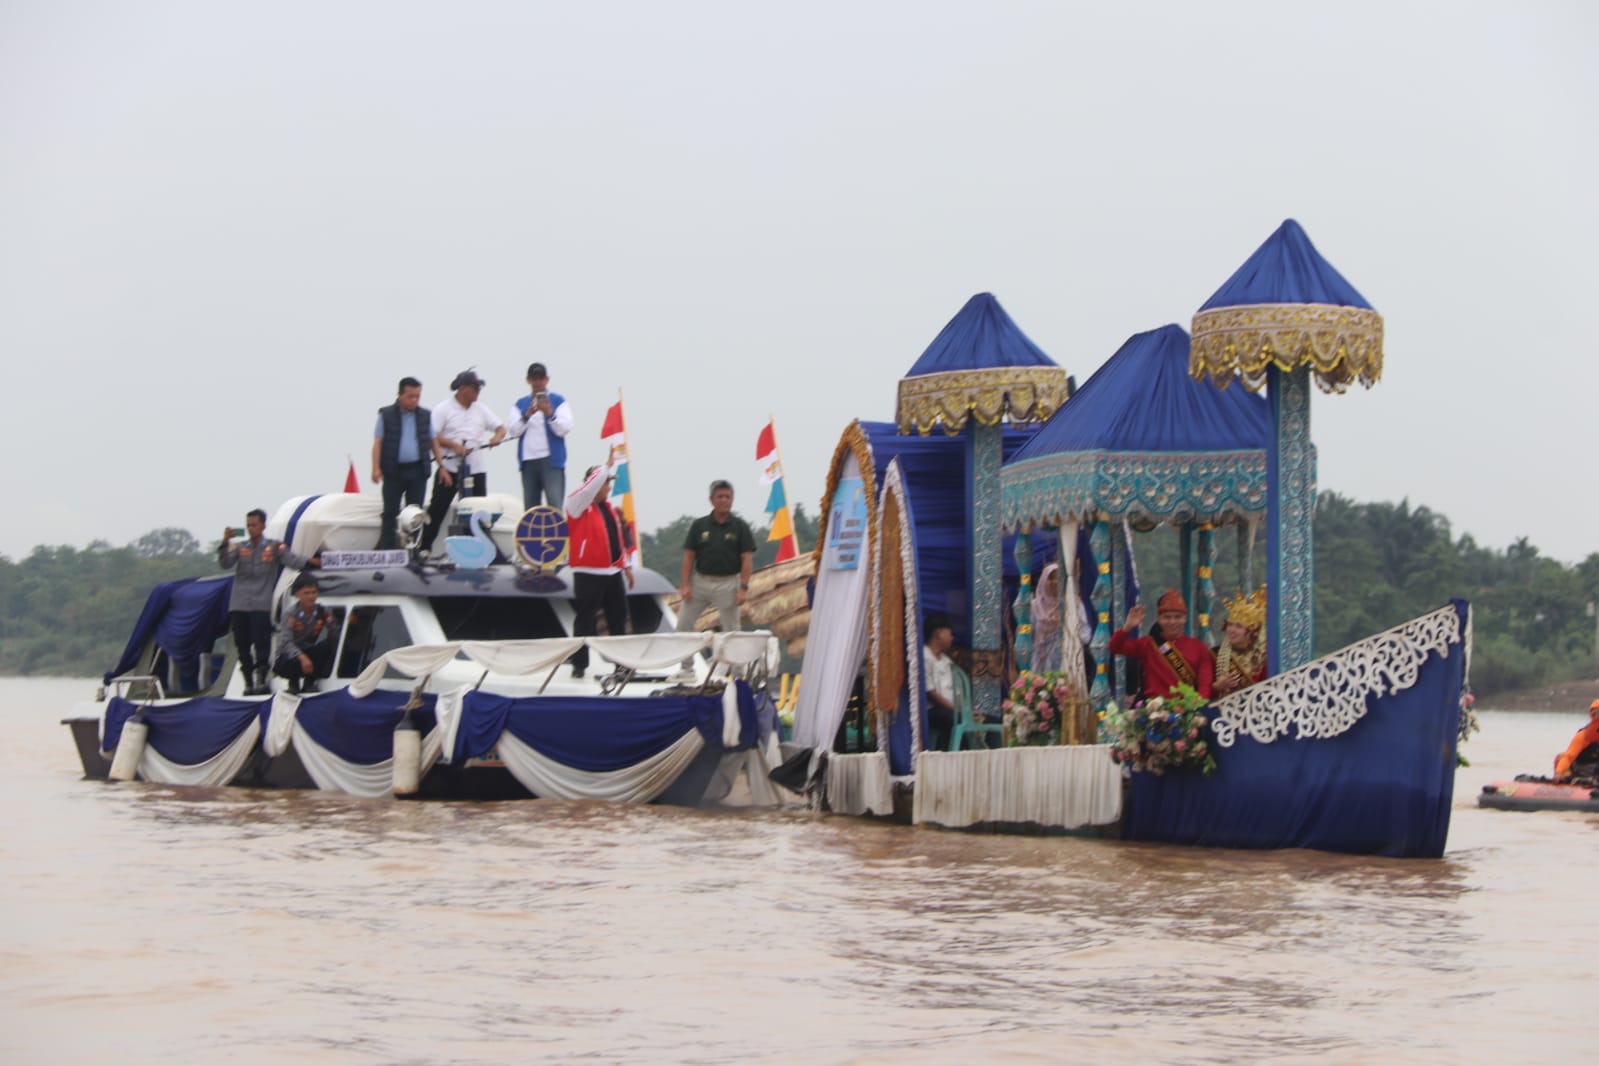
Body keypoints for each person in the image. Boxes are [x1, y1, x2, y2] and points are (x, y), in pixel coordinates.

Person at [219, 510, 314, 695]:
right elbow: (225, 563)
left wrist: (315, 562)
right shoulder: (239, 547)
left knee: (261, 644)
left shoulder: (274, 547)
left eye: (254, 525)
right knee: (242, 645)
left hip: (260, 604)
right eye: (248, 525)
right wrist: (224, 543)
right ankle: (248, 682)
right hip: (239, 603)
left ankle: (261, 680)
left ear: (263, 526)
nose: (250, 529)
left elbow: (293, 560)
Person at [673, 480, 756, 679]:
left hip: (728, 583)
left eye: (727, 497)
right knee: (683, 624)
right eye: (720, 497)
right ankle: (686, 667)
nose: (724, 500)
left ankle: (737, 671)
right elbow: (689, 556)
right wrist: (685, 584)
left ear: (732, 500)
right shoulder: (699, 525)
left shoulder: (740, 527)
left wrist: (743, 587)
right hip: (700, 582)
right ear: (712, 500)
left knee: (732, 629)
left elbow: (747, 559)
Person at [420, 370, 506, 553]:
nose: (478, 392)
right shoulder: (443, 408)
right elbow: (431, 436)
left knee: (478, 511)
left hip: (475, 469)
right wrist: (452, 445)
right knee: (438, 509)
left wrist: (496, 438)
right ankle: (425, 548)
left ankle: (478, 549)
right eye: (475, 388)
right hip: (450, 468)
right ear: (463, 388)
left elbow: (500, 428)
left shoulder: (481, 409)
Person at [565, 457, 634, 679]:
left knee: (618, 618)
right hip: (588, 572)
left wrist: (626, 566)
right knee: (585, 619)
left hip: (612, 572)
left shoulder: (609, 509)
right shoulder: (576, 506)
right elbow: (588, 489)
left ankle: (622, 665)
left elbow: (617, 541)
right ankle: (579, 664)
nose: (609, 486)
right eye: (605, 482)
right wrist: (606, 466)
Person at [371, 376, 447, 550]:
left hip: (417, 470)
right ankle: (389, 550)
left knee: (415, 513)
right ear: (400, 395)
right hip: (393, 470)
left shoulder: (425, 416)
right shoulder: (386, 415)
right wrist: (375, 468)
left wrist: (441, 466)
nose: (414, 400)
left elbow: (433, 440)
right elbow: (378, 442)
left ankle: (414, 550)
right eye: (410, 396)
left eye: (417, 396)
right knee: (391, 512)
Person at [1108, 587, 1215, 700]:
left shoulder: (1199, 648)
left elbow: (1205, 684)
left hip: (1187, 709)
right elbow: (1115, 647)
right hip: (1154, 709)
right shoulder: (1147, 644)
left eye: (1177, 617)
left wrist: (1197, 704)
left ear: (1185, 618)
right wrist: (1127, 627)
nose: (1172, 622)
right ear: (1159, 619)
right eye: (1166, 617)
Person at [506, 361, 573, 509]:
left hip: (552, 460)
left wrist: (549, 413)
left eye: (540, 378)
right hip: (528, 461)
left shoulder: (558, 401)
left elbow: (565, 427)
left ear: (546, 379)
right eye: (534, 378)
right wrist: (527, 415)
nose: (537, 382)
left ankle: (557, 532)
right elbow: (513, 430)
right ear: (528, 380)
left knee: (554, 505)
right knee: (531, 508)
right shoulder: (520, 404)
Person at [272, 573, 340, 694]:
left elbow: (334, 631)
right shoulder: (290, 614)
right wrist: (302, 657)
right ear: (298, 594)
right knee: (291, 659)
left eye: (314, 592)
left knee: (327, 645)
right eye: (307, 593)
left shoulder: (322, 611)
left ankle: (310, 683)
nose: (311, 596)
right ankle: (293, 684)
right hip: (289, 656)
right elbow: (286, 642)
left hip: (308, 650)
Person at [1212, 586, 1269, 697]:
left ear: (1252, 631)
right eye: (1230, 624)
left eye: (1239, 626)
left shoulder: (1264, 658)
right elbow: (1202, 693)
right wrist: (1217, 687)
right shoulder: (1215, 655)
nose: (1232, 630)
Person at [923, 617, 957, 751]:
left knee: (990, 720)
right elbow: (930, 692)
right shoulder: (924, 657)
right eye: (950, 634)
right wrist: (955, 709)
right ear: (938, 634)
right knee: (952, 720)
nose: (952, 638)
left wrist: (966, 710)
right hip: (931, 710)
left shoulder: (946, 661)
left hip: (950, 708)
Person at [1552, 699, 1599, 784]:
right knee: (1560, 757)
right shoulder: (1584, 735)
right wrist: (1559, 772)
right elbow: (1569, 756)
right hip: (1583, 769)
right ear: (1594, 715)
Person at [1030, 563, 1064, 674]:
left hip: (1065, 659)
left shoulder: (1071, 604)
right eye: (1051, 578)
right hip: (1039, 659)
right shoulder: (1034, 606)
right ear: (1044, 580)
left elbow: (1084, 635)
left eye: (1058, 578)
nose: (1055, 582)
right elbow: (1026, 635)